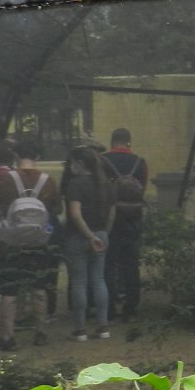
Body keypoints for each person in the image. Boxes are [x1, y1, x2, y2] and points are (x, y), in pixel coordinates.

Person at [0, 139, 59, 351]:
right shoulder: (48, 181)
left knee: (9, 291)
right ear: (38, 158)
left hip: (10, 243)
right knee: (39, 287)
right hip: (38, 242)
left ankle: (8, 337)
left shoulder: (5, 180)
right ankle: (41, 332)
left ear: (16, 157)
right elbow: (56, 210)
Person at [62, 144, 114, 341]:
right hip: (101, 234)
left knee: (79, 282)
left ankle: (81, 328)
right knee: (99, 280)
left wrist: (89, 236)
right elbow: (112, 212)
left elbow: (75, 214)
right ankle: (103, 325)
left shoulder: (75, 184)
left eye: (73, 163)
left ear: (80, 163)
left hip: (78, 237)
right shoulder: (105, 183)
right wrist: (102, 234)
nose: (71, 166)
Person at [101, 127, 147, 322]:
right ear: (129, 142)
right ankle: (130, 309)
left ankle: (109, 308)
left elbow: (101, 189)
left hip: (111, 217)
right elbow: (142, 189)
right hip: (133, 217)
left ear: (112, 142)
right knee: (131, 264)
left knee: (109, 264)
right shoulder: (140, 163)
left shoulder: (103, 161)